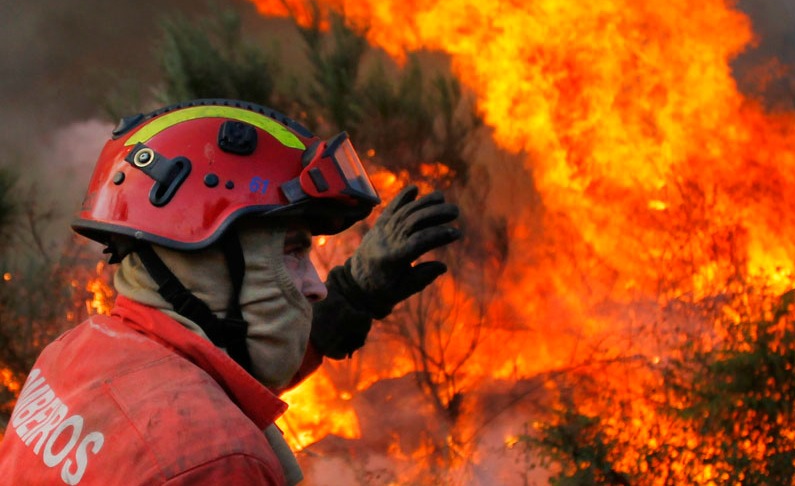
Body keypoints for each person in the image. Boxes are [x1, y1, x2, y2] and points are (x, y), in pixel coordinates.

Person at [0, 99, 461, 485]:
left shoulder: (72, 356)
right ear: (205, 260)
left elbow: (204, 376)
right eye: (291, 252)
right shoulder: (218, 461)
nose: (315, 286)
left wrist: (350, 297)